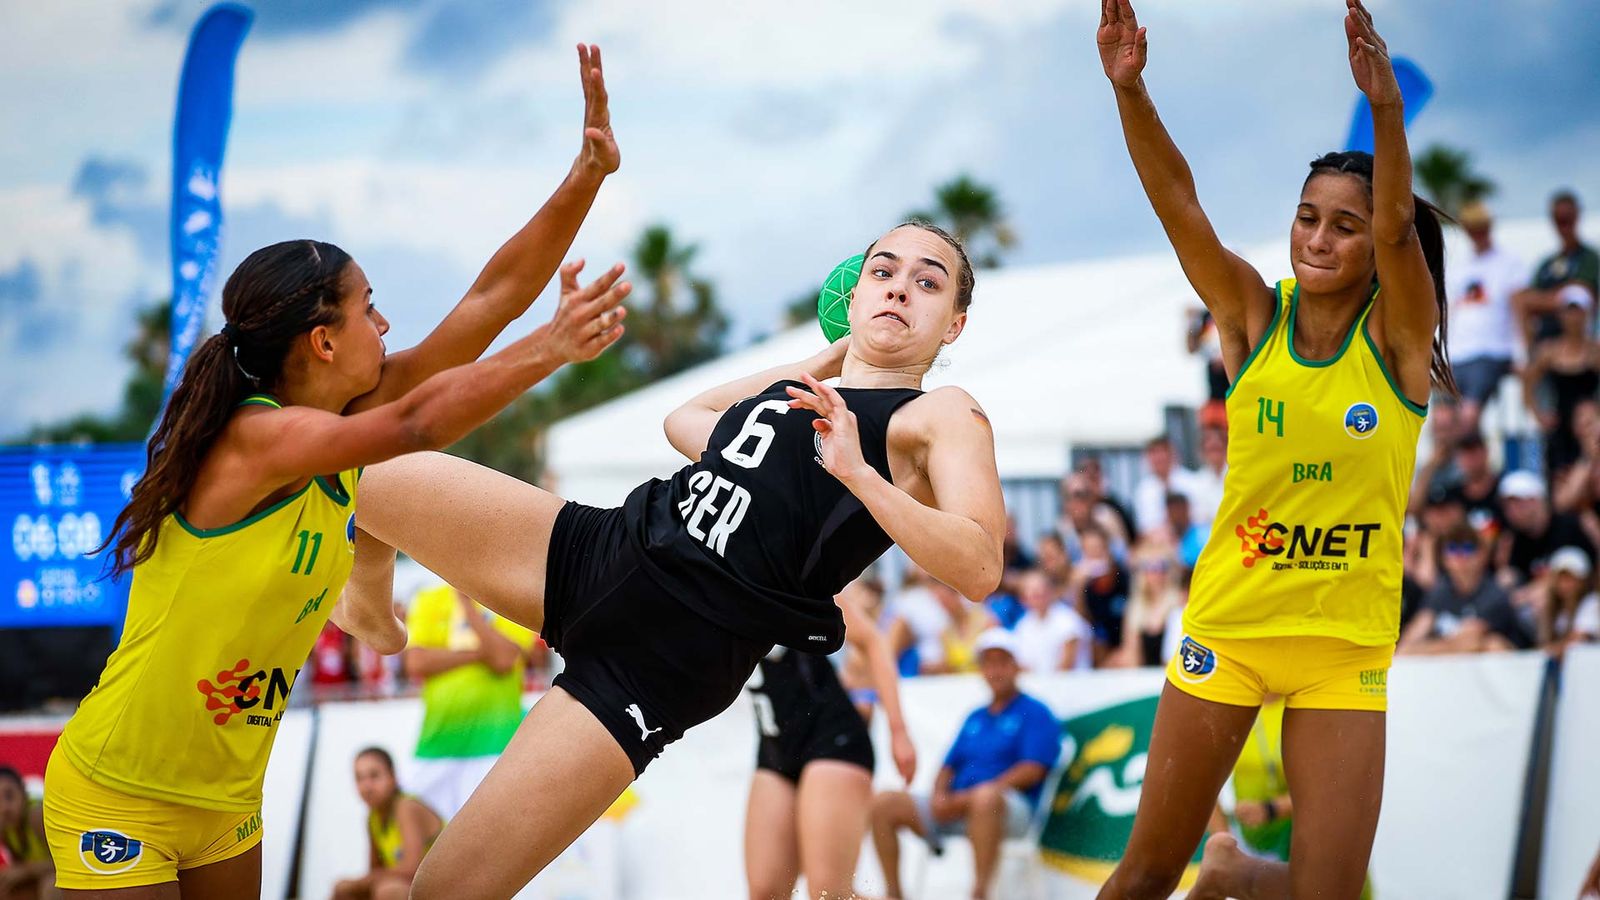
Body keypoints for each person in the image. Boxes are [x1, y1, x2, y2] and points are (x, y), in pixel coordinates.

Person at [39, 46, 627, 897]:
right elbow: (420, 423)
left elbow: (489, 300)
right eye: (370, 309)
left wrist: (587, 174)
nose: (386, 325)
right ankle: (370, 606)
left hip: (228, 797)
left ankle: (368, 606)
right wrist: (554, 347)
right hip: (118, 790)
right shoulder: (255, 439)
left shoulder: (339, 419)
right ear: (322, 341)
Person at [337, 221, 1009, 897]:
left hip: (666, 657)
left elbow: (980, 566)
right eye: (883, 273)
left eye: (927, 282)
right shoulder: (799, 396)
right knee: (362, 464)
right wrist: (828, 364)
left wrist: (860, 475)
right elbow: (687, 420)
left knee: (442, 891)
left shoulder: (940, 414)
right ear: (855, 295)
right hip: (601, 549)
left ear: (953, 325)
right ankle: (369, 604)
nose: (899, 289)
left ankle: (367, 601)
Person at [1096, 1, 1452, 896]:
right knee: (1142, 876)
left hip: (1344, 645)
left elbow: (1405, 228)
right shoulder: (1254, 316)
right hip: (1233, 629)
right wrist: (1131, 90)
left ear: (1374, 241)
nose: (1319, 238)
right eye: (1307, 218)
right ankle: (1216, 867)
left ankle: (1231, 874)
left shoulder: (1402, 339)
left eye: (1344, 223)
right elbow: (1179, 206)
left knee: (1327, 894)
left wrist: (1385, 110)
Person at [742, 581, 917, 900]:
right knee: (765, 891)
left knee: (828, 893)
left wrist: (898, 731)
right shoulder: (704, 586)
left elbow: (874, 642)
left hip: (833, 738)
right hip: (774, 745)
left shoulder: (787, 579)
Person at [868, 630, 1061, 900]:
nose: (995, 671)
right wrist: (939, 796)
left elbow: (1033, 770)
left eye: (1002, 662)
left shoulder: (1036, 712)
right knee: (884, 802)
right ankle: (894, 894)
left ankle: (979, 893)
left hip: (1009, 812)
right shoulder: (975, 716)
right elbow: (948, 765)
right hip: (959, 807)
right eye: (988, 663)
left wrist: (965, 799)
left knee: (986, 798)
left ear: (1016, 666)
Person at [403, 585, 539, 820]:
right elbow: (416, 662)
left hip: (496, 745)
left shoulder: (512, 597)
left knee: (494, 834)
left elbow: (503, 659)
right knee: (420, 833)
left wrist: (467, 603)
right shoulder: (427, 599)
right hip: (439, 742)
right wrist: (478, 654)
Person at [1445, 202, 1524, 436]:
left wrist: (1520, 353)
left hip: (1490, 351)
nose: (1478, 234)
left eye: (1482, 228)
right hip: (1457, 353)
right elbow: (1449, 312)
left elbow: (1519, 312)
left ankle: (1470, 466)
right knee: (1444, 419)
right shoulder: (1460, 266)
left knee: (1468, 416)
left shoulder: (1509, 263)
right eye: (1473, 228)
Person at [331, 748, 444, 900]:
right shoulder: (373, 818)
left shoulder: (405, 806)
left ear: (393, 777)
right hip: (409, 885)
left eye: (374, 776)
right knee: (343, 889)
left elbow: (412, 868)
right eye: (359, 778)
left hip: (442, 884)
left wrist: (362, 881)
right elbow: (376, 870)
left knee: (389, 891)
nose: (367, 786)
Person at [1398, 524, 1525, 654]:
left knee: (1493, 645)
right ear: (1443, 558)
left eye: (1467, 548)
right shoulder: (1440, 592)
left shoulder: (1494, 594)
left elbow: (1471, 642)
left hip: (1500, 668)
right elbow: (1406, 645)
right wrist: (1447, 645)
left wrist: (1429, 648)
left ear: (1482, 554)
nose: (1460, 556)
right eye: (1452, 548)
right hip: (1450, 666)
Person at [1521, 284, 1600, 479]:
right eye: (1569, 311)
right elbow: (1528, 382)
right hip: (1559, 427)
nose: (1573, 318)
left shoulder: (1594, 352)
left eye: (1578, 311)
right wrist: (1538, 414)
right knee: (1559, 476)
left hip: (1588, 426)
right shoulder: (1549, 351)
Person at [1513, 190, 1600, 347]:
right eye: (1559, 219)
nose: (1564, 225)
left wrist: (1542, 301)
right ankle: (1530, 354)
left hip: (1577, 348)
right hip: (1546, 345)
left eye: (1567, 218)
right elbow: (1525, 300)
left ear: (1577, 216)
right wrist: (1562, 295)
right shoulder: (1546, 263)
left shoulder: (1589, 257)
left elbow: (1582, 294)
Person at [1011, 569, 1092, 672]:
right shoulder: (1023, 625)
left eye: (1040, 589)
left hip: (1069, 684)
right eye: (1030, 590)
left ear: (1051, 591)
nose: (1036, 592)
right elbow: (1023, 664)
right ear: (1023, 598)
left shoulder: (1069, 620)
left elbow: (1066, 666)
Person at [0, 768, 54, 900]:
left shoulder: (36, 815)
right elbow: (17, 868)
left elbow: (63, 865)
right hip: (39, 877)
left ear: (23, 792)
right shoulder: (5, 827)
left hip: (67, 876)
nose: (4, 807)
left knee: (51, 887)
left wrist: (25, 870)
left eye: (9, 796)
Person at [1536, 546, 1600, 656]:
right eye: (1560, 579)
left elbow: (1579, 638)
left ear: (1582, 581)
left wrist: (1551, 651)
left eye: (1570, 579)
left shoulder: (1592, 602)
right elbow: (1543, 642)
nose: (1564, 585)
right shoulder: (1553, 610)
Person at [1132, 436, 1200, 539]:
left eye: (1163, 452)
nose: (1159, 457)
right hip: (1160, 543)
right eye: (1154, 453)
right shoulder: (1143, 491)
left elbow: (1200, 517)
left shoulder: (1192, 482)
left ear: (1173, 454)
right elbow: (1145, 527)